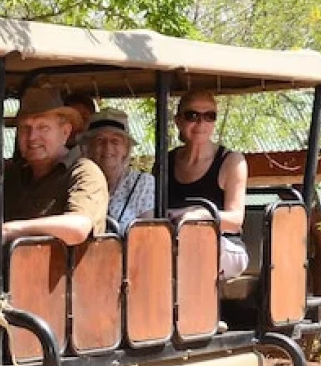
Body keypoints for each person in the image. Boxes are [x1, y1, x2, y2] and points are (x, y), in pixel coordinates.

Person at [0, 87, 107, 268]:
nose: (32, 137)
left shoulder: (84, 172)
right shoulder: (13, 176)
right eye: (25, 128)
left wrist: (8, 230)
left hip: (65, 281)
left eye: (43, 127)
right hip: (14, 276)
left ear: (65, 132)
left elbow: (78, 227)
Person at [167, 89, 250, 279]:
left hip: (224, 245)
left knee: (197, 244)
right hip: (174, 243)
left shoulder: (232, 162)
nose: (201, 123)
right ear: (178, 121)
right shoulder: (165, 161)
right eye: (192, 115)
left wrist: (198, 215)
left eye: (209, 116)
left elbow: (235, 221)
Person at [82, 108, 154, 233]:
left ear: (126, 149)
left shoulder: (142, 184)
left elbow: (148, 234)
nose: (107, 147)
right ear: (89, 148)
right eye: (100, 140)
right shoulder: (79, 182)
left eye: (115, 141)